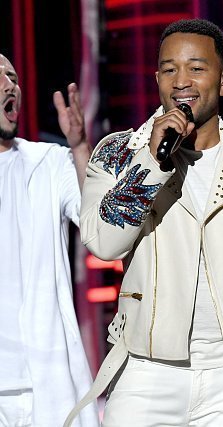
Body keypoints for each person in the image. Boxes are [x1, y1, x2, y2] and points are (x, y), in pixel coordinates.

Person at [65, 18, 223, 427]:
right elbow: (104, 242)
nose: (182, 81)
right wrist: (151, 162)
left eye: (196, 68)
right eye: (169, 69)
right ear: (156, 78)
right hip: (146, 371)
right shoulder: (119, 154)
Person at [0, 54, 99, 426]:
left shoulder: (49, 162)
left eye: (13, 75)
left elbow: (98, 228)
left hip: (49, 381)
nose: (11, 84)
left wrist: (79, 148)